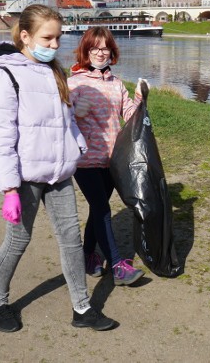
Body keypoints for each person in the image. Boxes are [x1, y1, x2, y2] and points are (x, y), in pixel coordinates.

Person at [0, 4, 116, 333]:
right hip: (26, 177)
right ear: (24, 36)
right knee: (18, 241)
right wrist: (9, 189)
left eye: (58, 37)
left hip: (59, 173)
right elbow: (0, 136)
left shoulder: (54, 72)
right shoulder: (4, 77)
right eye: (48, 38)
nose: (55, 45)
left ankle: (82, 308)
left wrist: (77, 148)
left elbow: (65, 121)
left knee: (70, 239)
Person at [68, 26, 147, 286]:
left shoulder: (116, 84)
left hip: (112, 160)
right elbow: (58, 119)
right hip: (85, 160)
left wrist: (140, 97)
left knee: (97, 209)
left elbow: (130, 115)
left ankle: (88, 255)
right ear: (85, 50)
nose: (100, 53)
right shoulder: (74, 83)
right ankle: (116, 264)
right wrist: (74, 113)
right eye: (94, 48)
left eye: (104, 48)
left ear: (111, 51)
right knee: (102, 208)